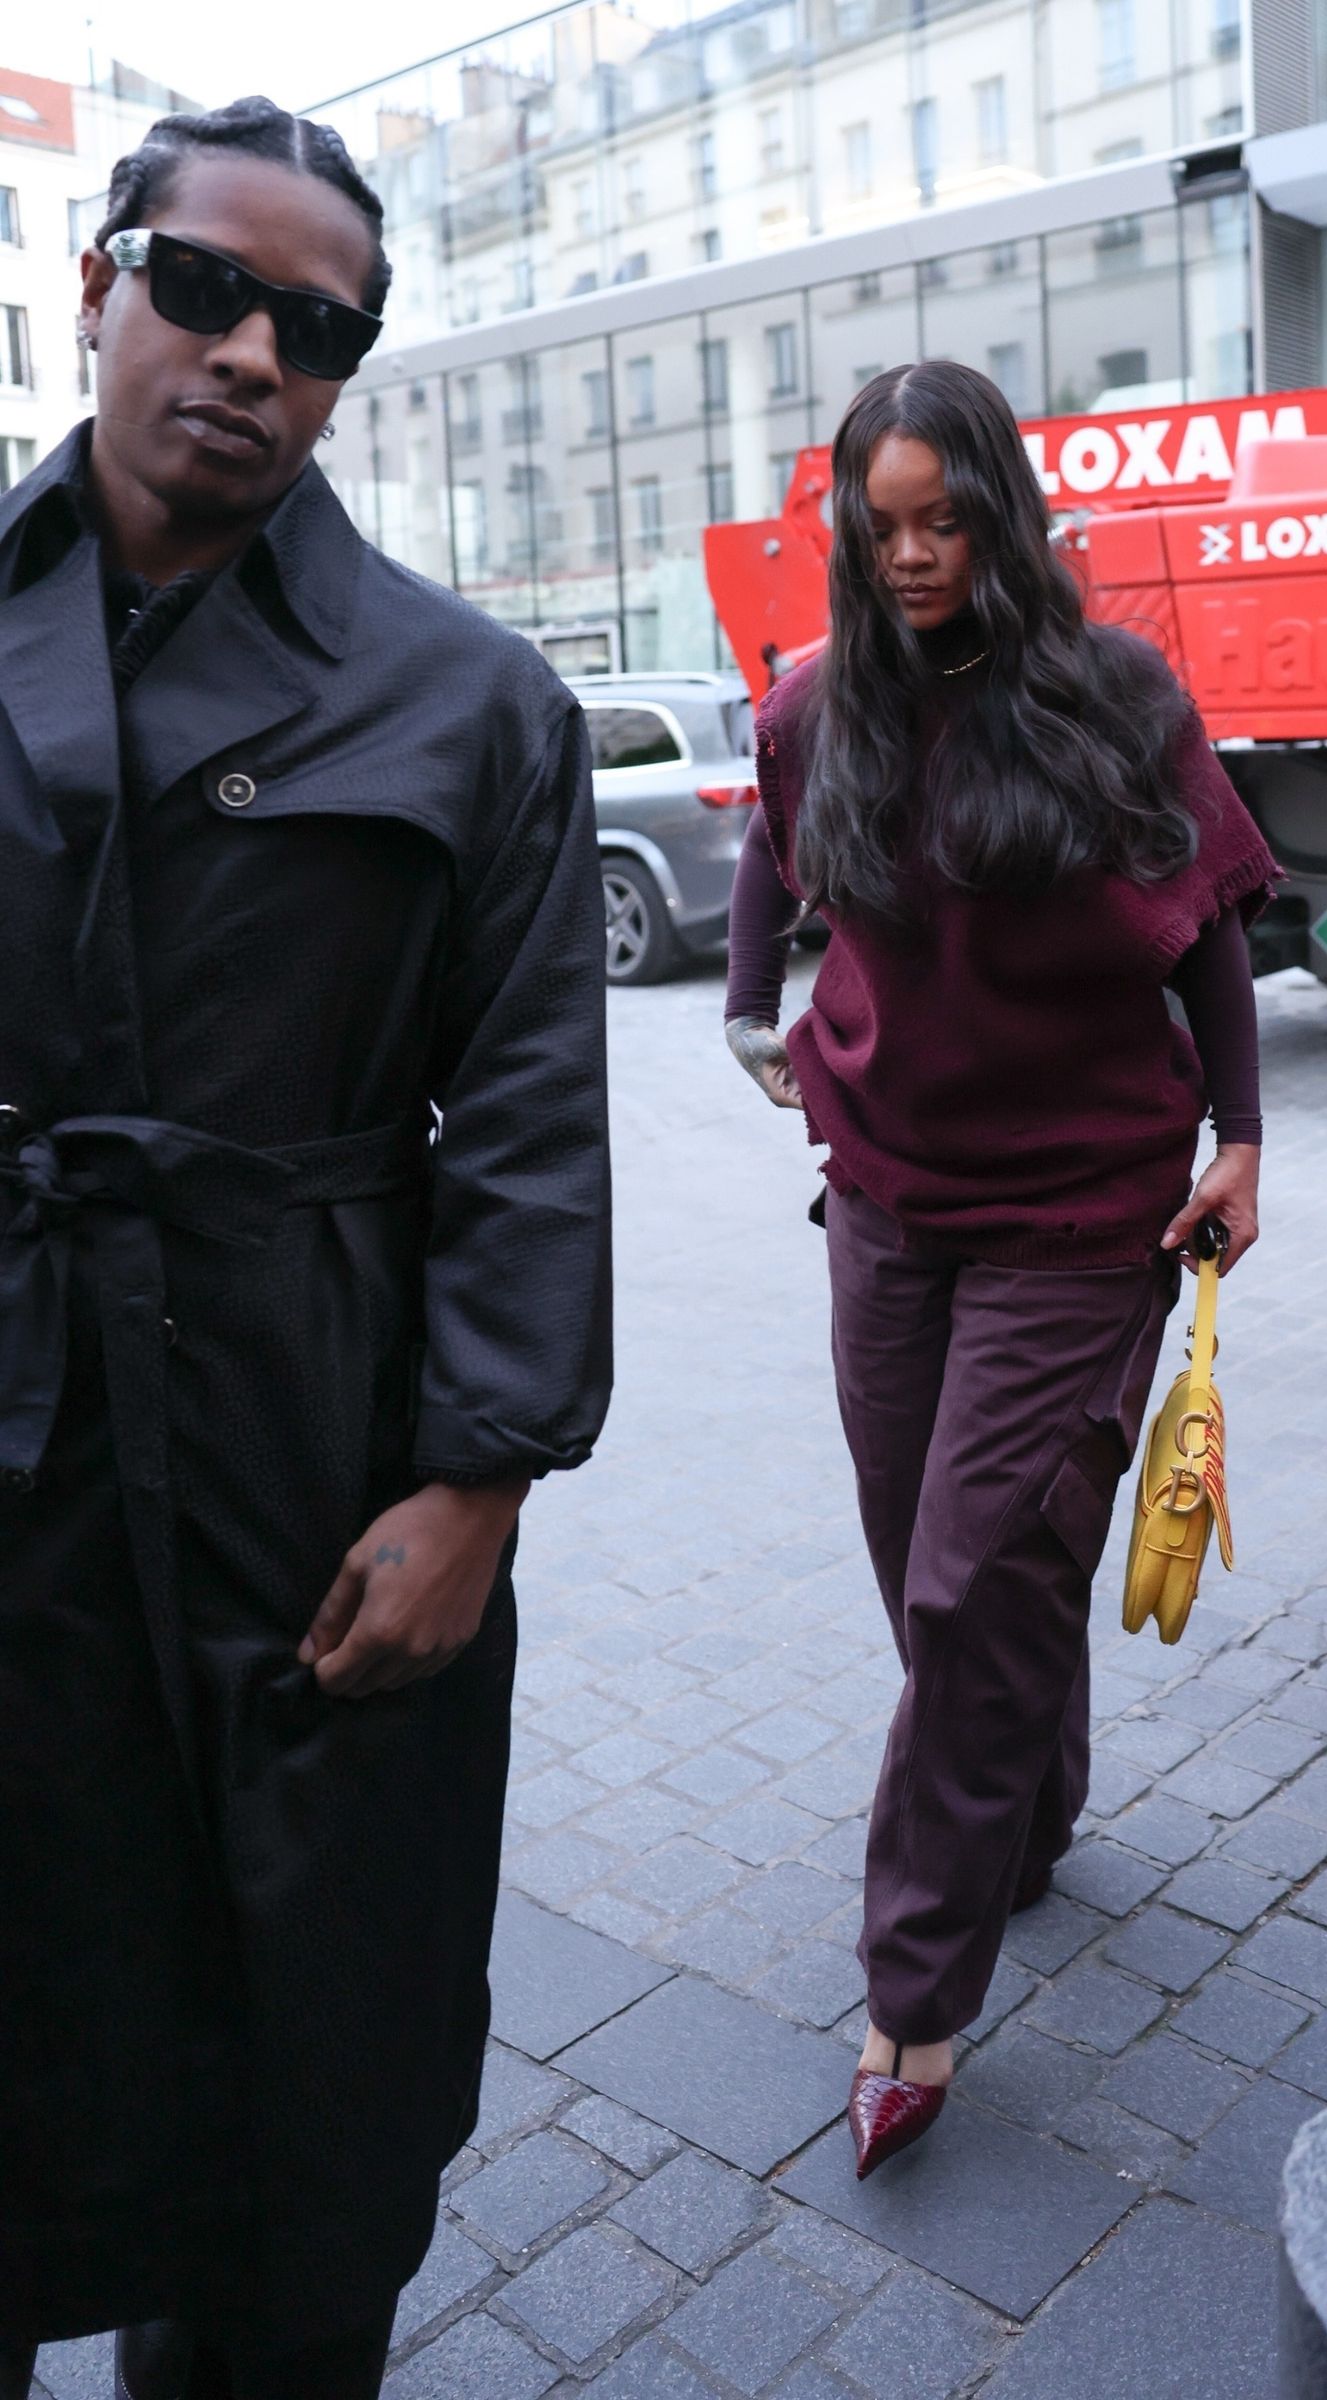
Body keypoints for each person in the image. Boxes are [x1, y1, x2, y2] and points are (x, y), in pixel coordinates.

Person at [0, 98, 610, 2398]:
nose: (254, 349)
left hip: (311, 1464)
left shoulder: (466, 702)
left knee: (294, 2096)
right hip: (20, 1424)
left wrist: (479, 1484)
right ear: (97, 281)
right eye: (203, 285)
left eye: (319, 324)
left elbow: (538, 1118)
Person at [725, 360, 1273, 2179]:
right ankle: (1023, 1818)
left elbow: (1204, 937)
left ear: (999, 512)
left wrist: (1243, 1142)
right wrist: (755, 1015)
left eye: (942, 519)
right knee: (930, 1555)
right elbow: (765, 867)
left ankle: (916, 1995)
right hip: (884, 1200)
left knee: (976, 1580)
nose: (912, 557)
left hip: (1084, 1208)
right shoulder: (826, 709)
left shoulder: (1117, 700)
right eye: (880, 530)